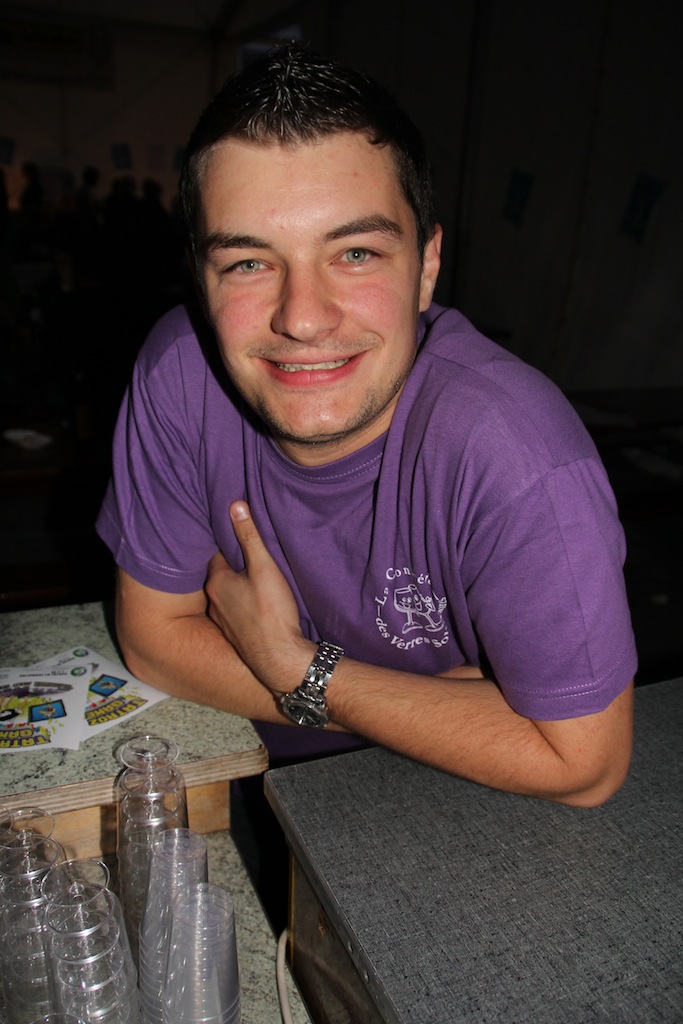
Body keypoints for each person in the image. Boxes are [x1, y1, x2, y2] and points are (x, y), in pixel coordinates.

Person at [96, 44, 637, 808]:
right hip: (252, 780)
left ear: (426, 266)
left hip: (464, 807)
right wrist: (439, 709)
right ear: (200, 278)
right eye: (248, 263)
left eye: (354, 252)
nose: (302, 317)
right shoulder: (179, 374)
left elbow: (582, 764)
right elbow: (153, 642)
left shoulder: (515, 451)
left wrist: (295, 668)